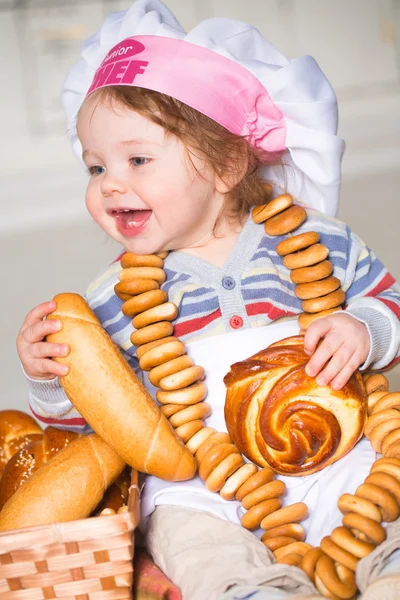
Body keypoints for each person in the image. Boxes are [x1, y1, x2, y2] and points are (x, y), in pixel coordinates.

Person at [16, 1, 400, 599]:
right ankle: (249, 589)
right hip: (204, 482)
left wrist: (364, 329)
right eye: (94, 167)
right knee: (183, 530)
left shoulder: (316, 240)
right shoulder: (111, 298)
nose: (110, 182)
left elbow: (388, 299)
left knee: (387, 502)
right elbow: (92, 424)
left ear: (227, 162)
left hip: (336, 447)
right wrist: (47, 378)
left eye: (137, 159)